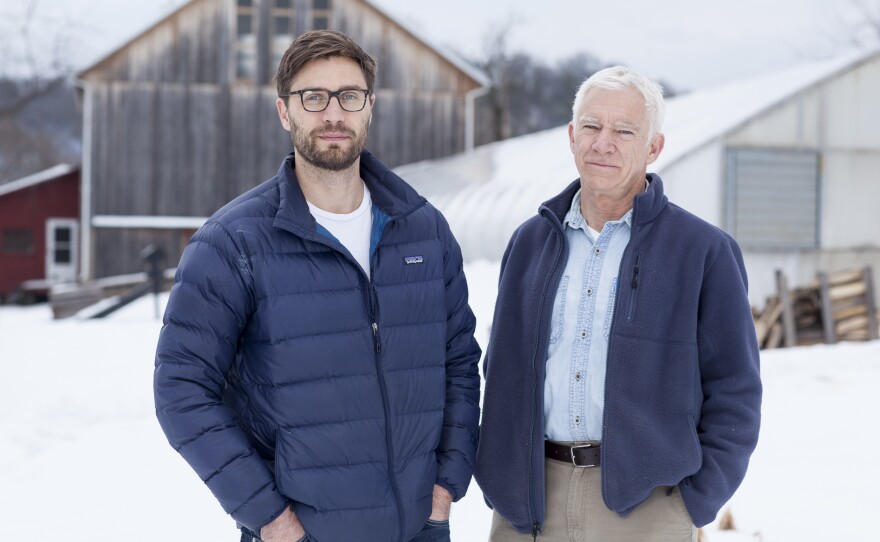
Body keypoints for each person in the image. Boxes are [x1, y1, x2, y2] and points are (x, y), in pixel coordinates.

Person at [154, 30, 481, 542]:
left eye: (349, 96)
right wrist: (269, 518)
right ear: (285, 112)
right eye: (314, 97)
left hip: (420, 529)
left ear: (369, 106)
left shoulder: (423, 227)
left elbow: (459, 360)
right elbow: (181, 389)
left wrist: (445, 488)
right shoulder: (232, 242)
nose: (333, 114)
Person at [474, 66, 762, 541]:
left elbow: (736, 388)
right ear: (571, 135)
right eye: (591, 126)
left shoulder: (702, 251)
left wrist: (695, 502)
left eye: (624, 130)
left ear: (653, 147)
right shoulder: (529, 241)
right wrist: (500, 478)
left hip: (645, 507)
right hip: (527, 505)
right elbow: (499, 367)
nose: (602, 142)